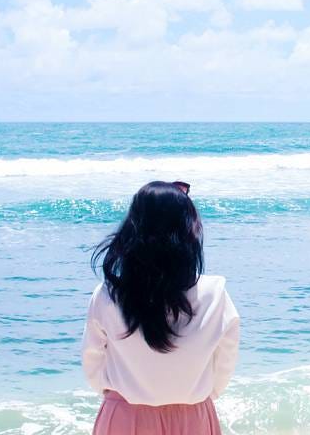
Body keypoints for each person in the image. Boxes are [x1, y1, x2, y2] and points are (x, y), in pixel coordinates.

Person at [82, 180, 240, 435]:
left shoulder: (109, 295)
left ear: (132, 231)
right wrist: (198, 393)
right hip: (194, 417)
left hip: (124, 415)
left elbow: (93, 362)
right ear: (190, 232)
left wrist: (119, 394)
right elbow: (225, 362)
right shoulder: (214, 294)